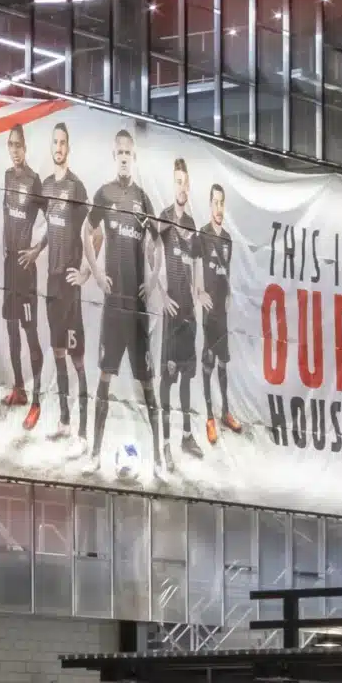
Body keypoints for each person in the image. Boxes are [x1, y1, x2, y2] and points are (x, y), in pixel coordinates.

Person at [85, 126, 165, 479]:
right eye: (119, 152)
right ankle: (93, 453)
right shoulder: (104, 194)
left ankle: (160, 460)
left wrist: (152, 276)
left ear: (134, 158)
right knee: (103, 378)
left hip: (137, 312)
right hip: (113, 310)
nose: (123, 158)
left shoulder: (142, 200)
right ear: (113, 156)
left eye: (128, 153)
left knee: (148, 385)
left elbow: (157, 243)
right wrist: (97, 274)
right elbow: (86, 232)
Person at [34, 121, 90, 442]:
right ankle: (65, 422)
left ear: (69, 148)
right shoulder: (46, 187)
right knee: (56, 351)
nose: (58, 147)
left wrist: (84, 272)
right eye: (54, 142)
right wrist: (37, 247)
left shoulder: (77, 188)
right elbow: (49, 228)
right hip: (51, 284)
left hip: (70, 286)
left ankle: (83, 428)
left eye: (63, 142)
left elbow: (92, 232)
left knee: (76, 355)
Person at [156, 158, 204, 459]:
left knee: (187, 375)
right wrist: (161, 293)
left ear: (190, 186)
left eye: (185, 181)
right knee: (167, 377)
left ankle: (186, 436)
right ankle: (164, 443)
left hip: (189, 315)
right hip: (171, 315)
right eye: (177, 181)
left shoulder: (193, 226)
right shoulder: (163, 219)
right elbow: (150, 255)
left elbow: (196, 265)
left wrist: (198, 297)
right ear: (172, 184)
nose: (182, 187)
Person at [0, 124, 45, 423]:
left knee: (30, 332)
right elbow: (6, 213)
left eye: (19, 145)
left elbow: (53, 218)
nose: (15, 150)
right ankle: (19, 388)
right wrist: (5, 246)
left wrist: (37, 249)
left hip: (27, 271)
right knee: (11, 328)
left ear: (26, 148)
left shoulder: (34, 180)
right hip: (9, 266)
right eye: (10, 145)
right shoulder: (6, 177)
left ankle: (37, 400)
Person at [198, 181, 245, 442]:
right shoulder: (202, 235)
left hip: (222, 313)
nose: (219, 208)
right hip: (207, 315)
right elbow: (194, 265)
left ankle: (226, 412)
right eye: (215, 202)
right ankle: (208, 418)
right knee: (207, 363)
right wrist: (198, 290)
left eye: (222, 203)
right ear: (209, 205)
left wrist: (226, 295)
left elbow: (226, 273)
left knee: (224, 362)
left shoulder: (227, 239)